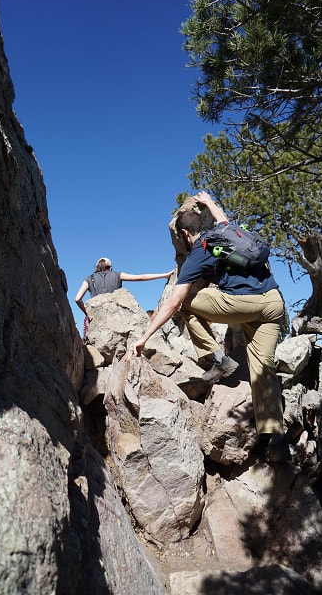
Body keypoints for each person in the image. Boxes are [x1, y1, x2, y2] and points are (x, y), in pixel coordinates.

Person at [125, 192, 291, 463]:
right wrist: (210, 202)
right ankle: (275, 439)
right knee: (263, 368)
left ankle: (219, 358)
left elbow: (173, 303)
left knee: (187, 304)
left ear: (184, 234)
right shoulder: (226, 230)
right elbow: (222, 217)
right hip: (273, 302)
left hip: (243, 303)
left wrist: (144, 337)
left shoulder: (199, 249)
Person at [75, 257, 174, 315]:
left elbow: (77, 299)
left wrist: (88, 313)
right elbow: (139, 277)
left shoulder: (88, 279)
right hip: (116, 314)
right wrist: (164, 275)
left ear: (96, 268)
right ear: (111, 268)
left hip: (97, 316)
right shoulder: (117, 275)